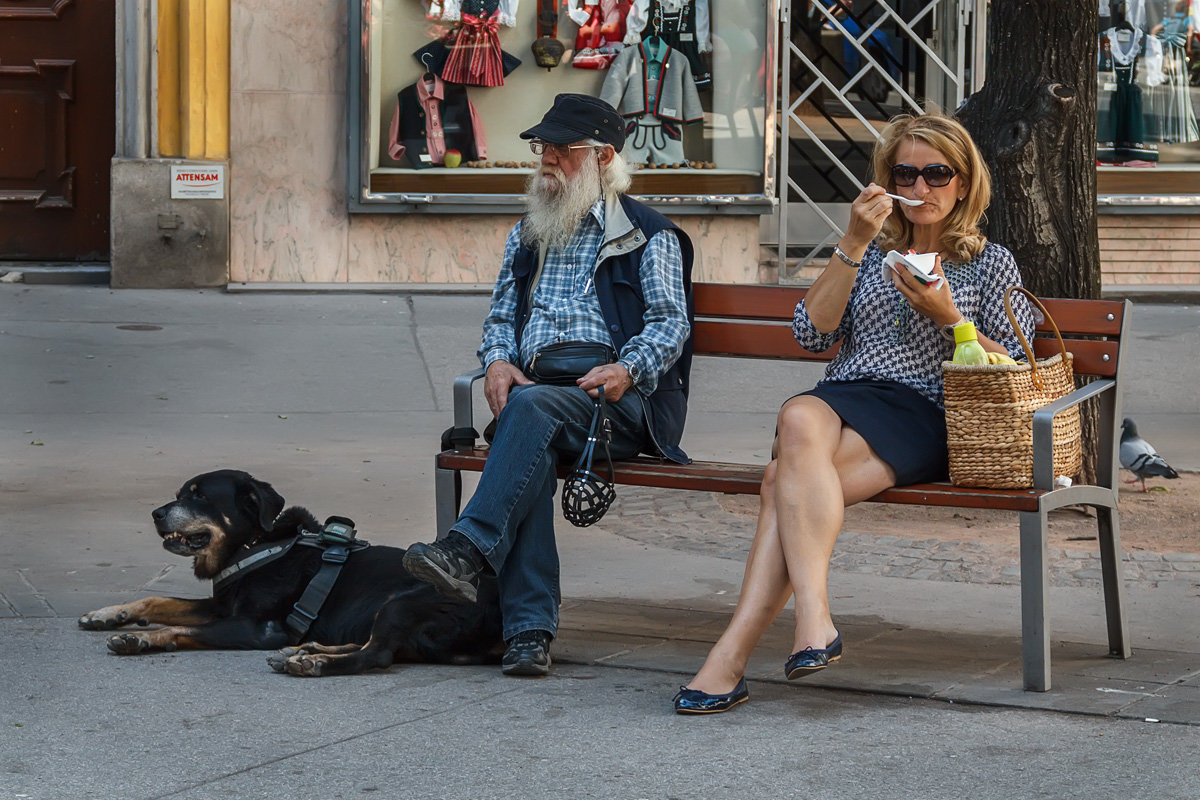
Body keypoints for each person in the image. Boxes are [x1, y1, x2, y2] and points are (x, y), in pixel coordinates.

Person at [673, 113, 1034, 714]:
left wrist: (951, 317)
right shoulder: (869, 252)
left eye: (937, 173)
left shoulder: (988, 262)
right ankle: (813, 619)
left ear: (964, 183)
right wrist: (853, 243)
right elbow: (811, 335)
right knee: (798, 418)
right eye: (905, 173)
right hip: (845, 400)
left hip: (926, 409)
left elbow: (1013, 368)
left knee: (778, 482)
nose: (919, 188)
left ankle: (729, 659)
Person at [403, 93, 694, 677]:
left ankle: (467, 550)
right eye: (544, 146)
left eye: (563, 148)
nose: (548, 159)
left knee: (526, 416)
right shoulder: (529, 232)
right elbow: (500, 316)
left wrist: (626, 369)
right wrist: (497, 361)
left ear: (604, 156)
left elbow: (671, 324)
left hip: (615, 405)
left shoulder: (649, 235)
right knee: (526, 433)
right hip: (540, 397)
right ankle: (528, 636)